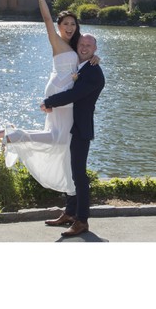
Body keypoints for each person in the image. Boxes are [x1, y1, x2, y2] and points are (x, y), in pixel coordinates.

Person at [0, 0, 93, 196]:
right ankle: (13, 135)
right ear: (58, 27)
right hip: (61, 91)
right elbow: (47, 18)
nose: (69, 27)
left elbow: (87, 53)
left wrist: (96, 58)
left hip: (62, 89)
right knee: (61, 140)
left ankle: (13, 134)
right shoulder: (56, 41)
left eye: (73, 24)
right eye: (65, 24)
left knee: (60, 139)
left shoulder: (75, 45)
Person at [40, 33, 105, 237]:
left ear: (95, 49)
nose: (84, 47)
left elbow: (74, 95)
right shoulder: (80, 65)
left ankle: (82, 220)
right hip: (69, 125)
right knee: (68, 170)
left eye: (89, 45)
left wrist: (49, 101)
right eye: (82, 44)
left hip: (80, 129)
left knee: (79, 175)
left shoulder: (94, 73)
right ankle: (69, 213)